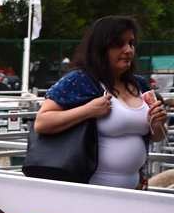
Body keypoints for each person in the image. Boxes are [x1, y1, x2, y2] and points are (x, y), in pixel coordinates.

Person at [34, 16, 169, 190]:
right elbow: (42, 122)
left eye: (131, 43)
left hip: (135, 191)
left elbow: (156, 136)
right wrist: (88, 110)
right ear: (100, 48)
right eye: (118, 44)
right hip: (88, 193)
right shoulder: (79, 81)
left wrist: (158, 125)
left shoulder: (140, 84)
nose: (128, 50)